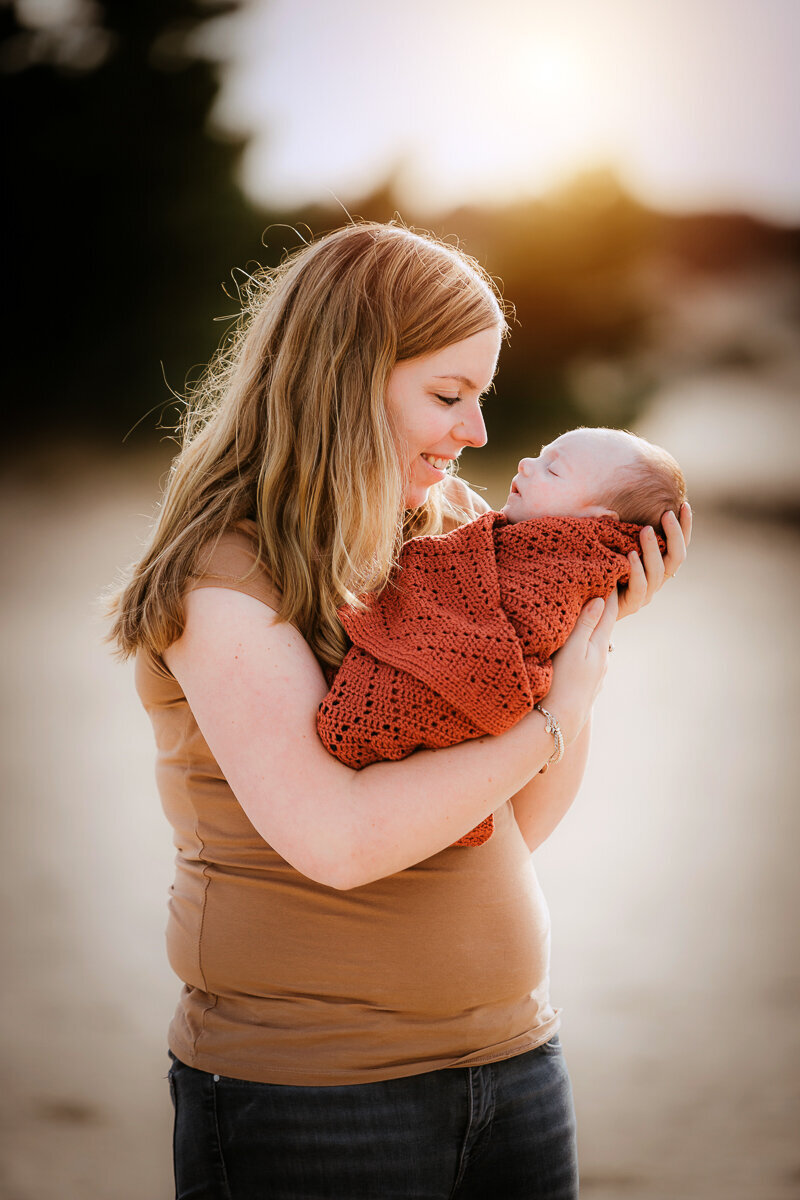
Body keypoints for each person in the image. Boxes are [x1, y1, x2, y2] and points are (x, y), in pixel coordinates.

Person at [109, 222, 690, 1200]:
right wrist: (553, 715)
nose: (472, 434)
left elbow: (515, 824)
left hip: (514, 1058)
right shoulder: (226, 575)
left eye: (481, 399)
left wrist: (577, 631)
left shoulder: (466, 544)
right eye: (446, 396)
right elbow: (337, 841)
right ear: (342, 380)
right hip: (314, 1095)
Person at [317, 426, 687, 848]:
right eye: (538, 453)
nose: (527, 465)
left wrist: (599, 624)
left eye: (554, 470)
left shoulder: (552, 582)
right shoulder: (490, 537)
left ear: (594, 524)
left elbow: (523, 829)